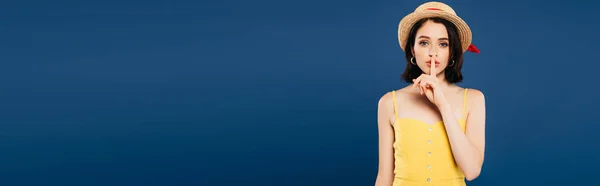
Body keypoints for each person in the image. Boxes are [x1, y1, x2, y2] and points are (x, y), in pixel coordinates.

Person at [374, 2, 486, 186]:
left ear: (452, 52)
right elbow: (384, 178)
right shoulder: (389, 102)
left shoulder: (473, 99)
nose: (433, 53)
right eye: (424, 43)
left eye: (443, 44)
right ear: (412, 48)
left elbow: (472, 171)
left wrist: (442, 104)